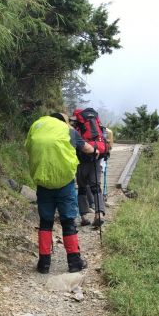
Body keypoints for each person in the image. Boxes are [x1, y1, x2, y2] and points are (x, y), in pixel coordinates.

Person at [25, 112, 95, 274]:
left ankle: (44, 263)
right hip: (65, 183)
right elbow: (88, 148)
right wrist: (96, 150)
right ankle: (74, 261)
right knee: (68, 220)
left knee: (46, 222)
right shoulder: (68, 131)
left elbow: (28, 147)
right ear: (64, 122)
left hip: (43, 182)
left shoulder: (37, 126)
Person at [70, 108, 107, 229]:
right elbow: (106, 142)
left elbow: (75, 144)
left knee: (82, 188)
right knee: (96, 187)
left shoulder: (75, 128)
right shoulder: (98, 125)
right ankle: (99, 214)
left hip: (81, 160)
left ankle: (84, 217)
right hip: (96, 158)